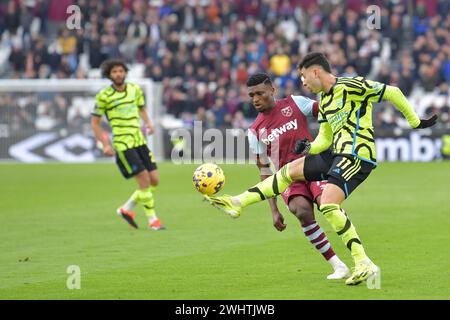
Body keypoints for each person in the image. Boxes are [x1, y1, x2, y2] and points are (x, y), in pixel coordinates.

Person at [205, 52, 437, 285]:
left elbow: (393, 92)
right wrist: (309, 146)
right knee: (287, 172)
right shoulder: (324, 101)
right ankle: (237, 202)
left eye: (304, 77)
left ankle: (363, 262)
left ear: (316, 72)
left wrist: (415, 122)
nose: (303, 82)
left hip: (356, 153)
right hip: (333, 153)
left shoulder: (351, 85)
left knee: (327, 203)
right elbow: (324, 139)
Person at [246, 73, 350, 280]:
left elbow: (327, 111)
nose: (256, 99)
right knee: (301, 211)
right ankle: (338, 266)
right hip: (288, 177)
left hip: (314, 166)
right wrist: (273, 210)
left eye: (260, 93)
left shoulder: (294, 103)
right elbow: (264, 171)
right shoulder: (254, 131)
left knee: (327, 204)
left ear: (272, 91)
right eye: (251, 95)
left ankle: (359, 256)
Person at [91, 59, 165, 231]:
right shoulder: (104, 96)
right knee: (144, 180)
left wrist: (149, 123)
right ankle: (153, 221)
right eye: (114, 72)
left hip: (139, 140)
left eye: (120, 71)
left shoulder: (134, 90)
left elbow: (142, 109)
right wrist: (105, 144)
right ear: (109, 75)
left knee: (155, 180)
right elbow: (95, 123)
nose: (118, 74)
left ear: (125, 72)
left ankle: (126, 209)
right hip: (123, 144)